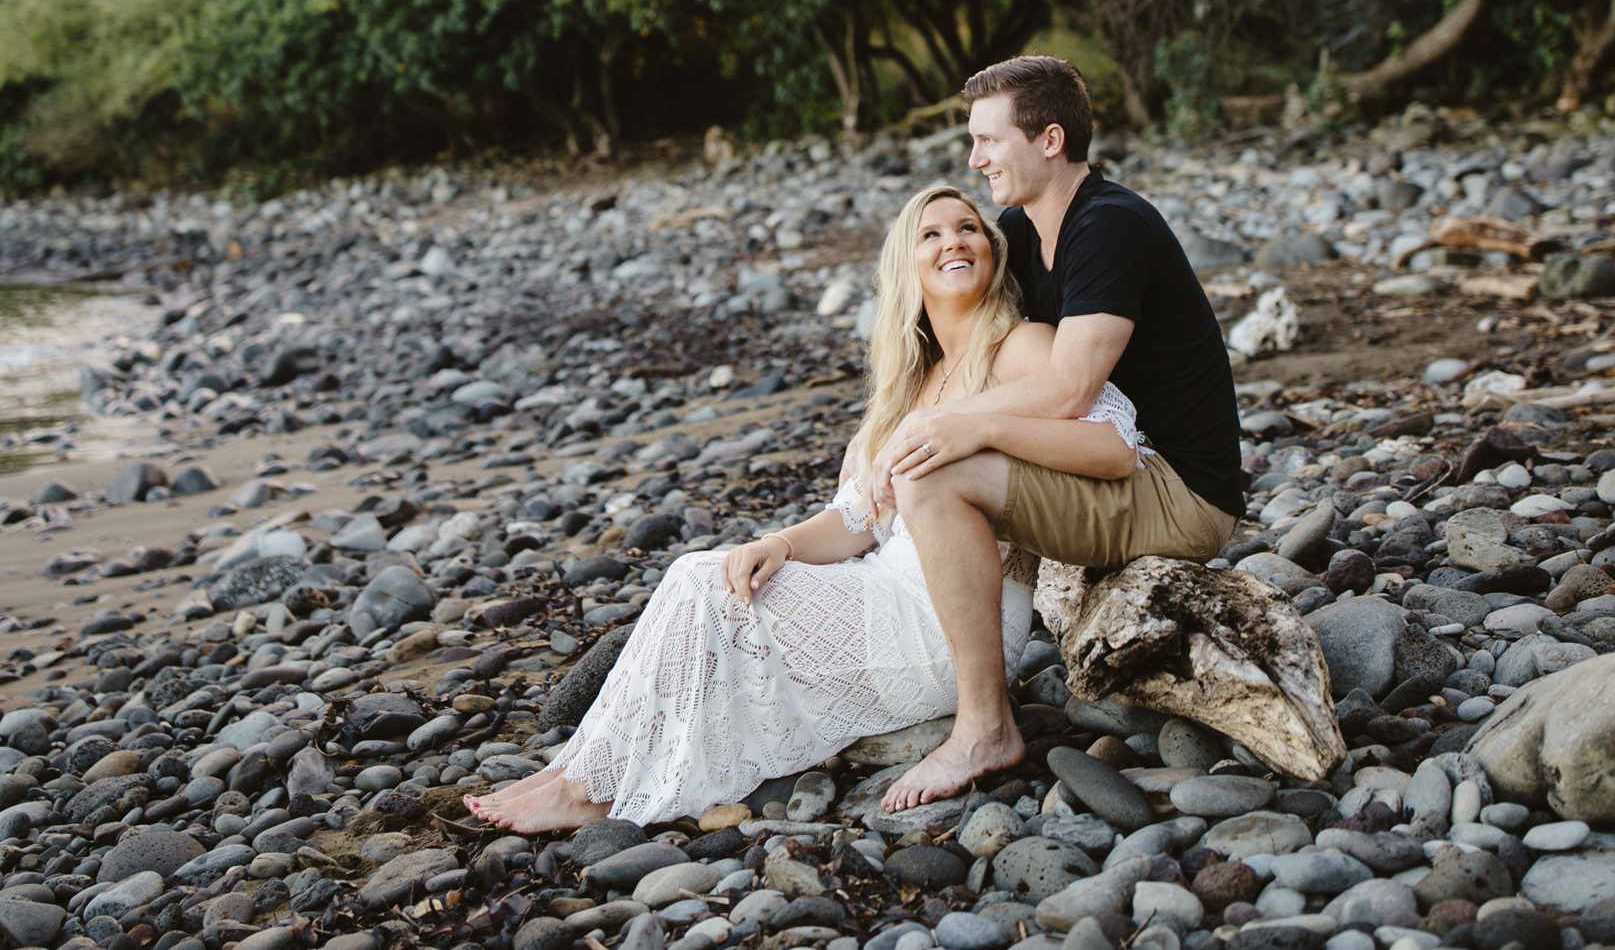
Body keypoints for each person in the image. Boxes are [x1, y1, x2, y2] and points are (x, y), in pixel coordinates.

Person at [465, 182, 1159, 832]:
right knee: (699, 575)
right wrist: (785, 543)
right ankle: (581, 772)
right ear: (906, 267)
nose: (955, 241)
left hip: (954, 626)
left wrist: (981, 427)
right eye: (932, 233)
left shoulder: (1017, 347)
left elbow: (1112, 443)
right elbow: (855, 523)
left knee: (700, 590)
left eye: (969, 228)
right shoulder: (906, 387)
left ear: (992, 249)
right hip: (882, 590)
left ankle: (589, 792)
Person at [868, 55, 1243, 812]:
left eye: (987, 140)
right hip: (1111, 463)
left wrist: (937, 424)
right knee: (932, 449)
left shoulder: (1109, 226)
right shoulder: (1017, 228)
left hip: (1175, 489)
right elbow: (967, 334)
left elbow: (1071, 388)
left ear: (1048, 139)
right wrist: (884, 425)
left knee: (936, 470)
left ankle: (983, 729)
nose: (973, 160)